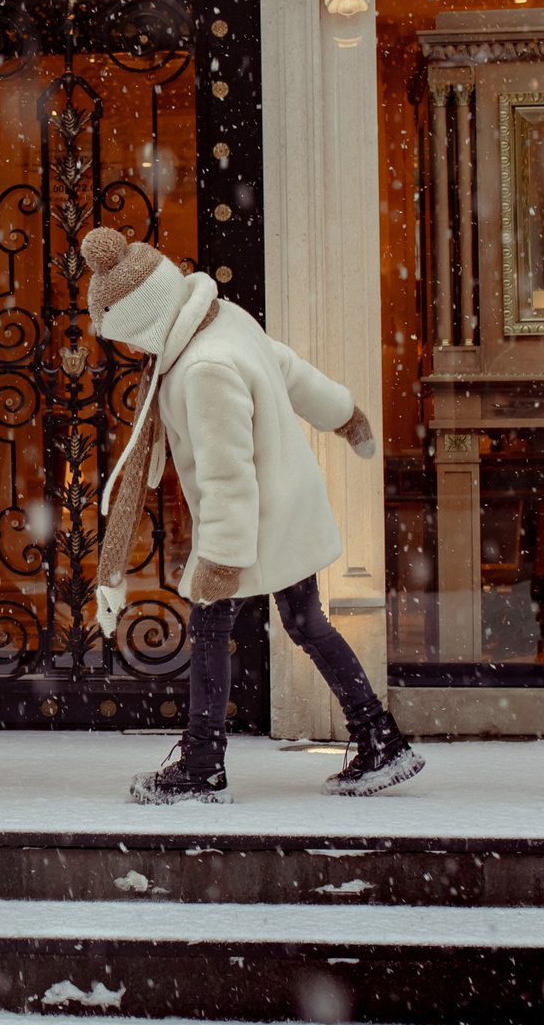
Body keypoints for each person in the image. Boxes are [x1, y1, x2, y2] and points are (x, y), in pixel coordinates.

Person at [82, 228, 422, 804]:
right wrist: (343, 413)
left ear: (144, 321)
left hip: (254, 521)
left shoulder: (201, 369)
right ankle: (379, 738)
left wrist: (219, 560)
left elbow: (227, 478)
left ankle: (201, 765)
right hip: (288, 507)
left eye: (128, 339)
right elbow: (288, 369)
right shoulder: (222, 318)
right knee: (307, 623)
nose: (133, 353)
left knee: (212, 626)